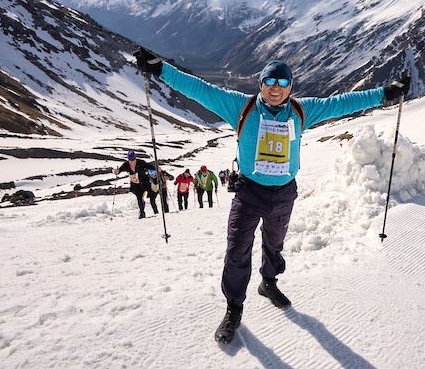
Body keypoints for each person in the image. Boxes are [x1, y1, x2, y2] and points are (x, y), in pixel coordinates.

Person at [135, 47, 410, 344]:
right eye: (269, 81)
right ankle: (233, 308)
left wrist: (384, 94)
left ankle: (268, 282)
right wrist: (160, 69)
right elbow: (200, 89)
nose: (275, 88)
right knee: (237, 250)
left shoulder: (302, 111)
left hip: (284, 193)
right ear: (261, 83)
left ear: (290, 86)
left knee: (274, 245)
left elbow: (341, 103)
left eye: (282, 83)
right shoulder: (240, 107)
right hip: (249, 192)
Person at [114, 150, 159, 219]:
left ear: (135, 158)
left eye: (133, 160)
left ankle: (156, 212)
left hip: (145, 182)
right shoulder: (126, 165)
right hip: (135, 184)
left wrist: (156, 169)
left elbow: (149, 166)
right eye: (130, 160)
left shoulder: (141, 163)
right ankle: (142, 213)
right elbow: (119, 170)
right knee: (139, 198)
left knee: (151, 196)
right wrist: (116, 172)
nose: (132, 162)